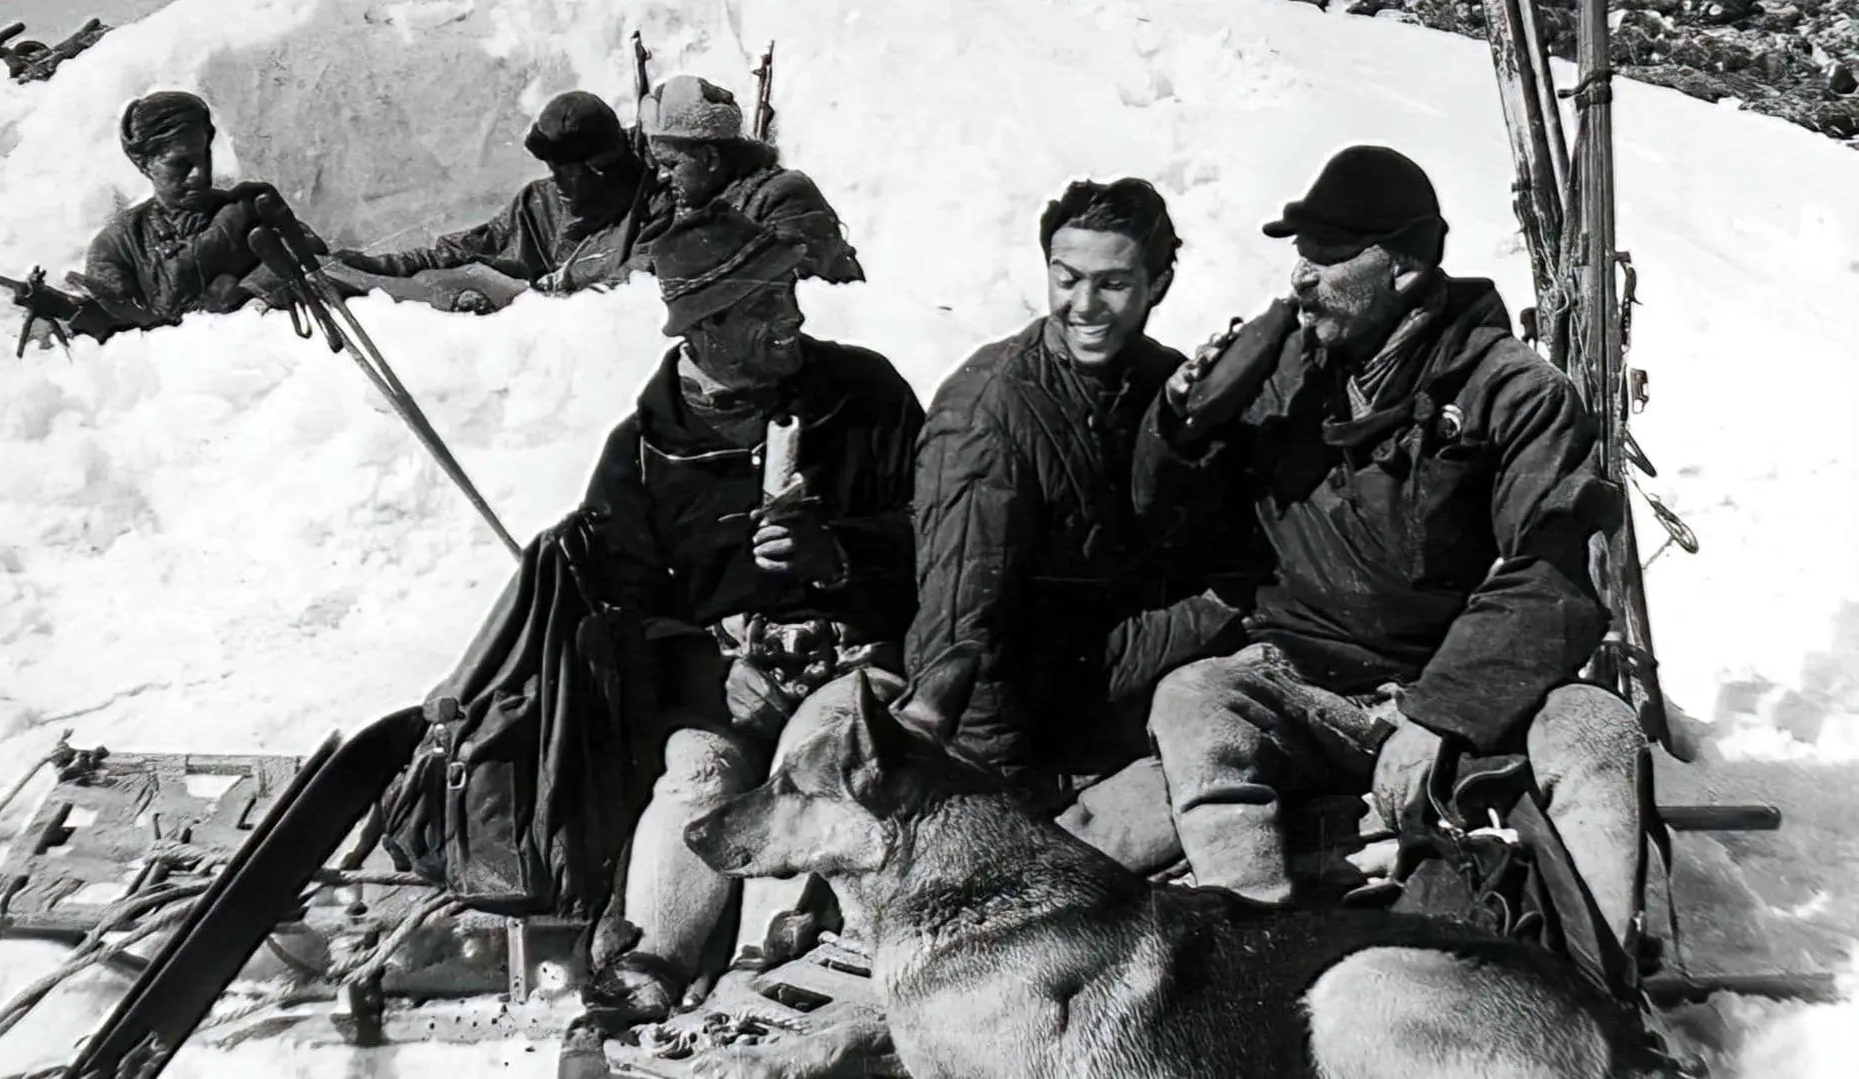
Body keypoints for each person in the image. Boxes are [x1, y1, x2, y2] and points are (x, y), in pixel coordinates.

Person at [1133, 144, 1645, 943]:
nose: (1302, 276)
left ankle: (1596, 997)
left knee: (1595, 728)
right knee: (1195, 697)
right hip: (1305, 683)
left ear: (1403, 268)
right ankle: (1260, 960)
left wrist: (1438, 715)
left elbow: (1550, 576)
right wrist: (1179, 427)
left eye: (1330, 256)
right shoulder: (1282, 371)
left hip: (1468, 698)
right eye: (1301, 254)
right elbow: (1179, 527)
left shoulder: (1514, 392)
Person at [573, 200, 923, 1028]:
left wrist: (837, 555)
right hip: (722, 685)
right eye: (764, 304)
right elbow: (621, 609)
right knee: (698, 772)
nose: (792, 315)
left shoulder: (864, 395)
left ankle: (768, 980)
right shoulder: (642, 452)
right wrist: (713, 676)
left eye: (787, 293)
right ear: (703, 330)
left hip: (853, 665)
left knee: (812, 763)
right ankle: (645, 972)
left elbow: (941, 532)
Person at [902, 177, 1242, 872]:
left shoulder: (1158, 378)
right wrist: (1000, 806)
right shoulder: (988, 414)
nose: (1084, 306)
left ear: (1159, 284)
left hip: (1109, 682)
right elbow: (958, 642)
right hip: (1027, 722)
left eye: (1113, 282)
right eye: (1067, 279)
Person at [332, 91, 663, 297]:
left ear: (599, 166)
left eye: (565, 170)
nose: (555, 180)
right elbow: (461, 252)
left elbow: (635, 284)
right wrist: (368, 266)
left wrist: (550, 302)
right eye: (552, 168)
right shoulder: (539, 204)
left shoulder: (649, 208)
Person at [82, 91, 327, 330]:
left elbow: (314, 256)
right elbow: (114, 335)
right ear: (146, 166)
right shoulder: (116, 247)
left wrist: (252, 288)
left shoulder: (248, 208)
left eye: (204, 157)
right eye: (181, 164)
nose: (199, 174)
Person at [640, 74, 866, 284]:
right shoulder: (686, 202)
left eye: (672, 165)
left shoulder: (785, 199)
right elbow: (643, 265)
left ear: (709, 159)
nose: (662, 176)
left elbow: (785, 294)